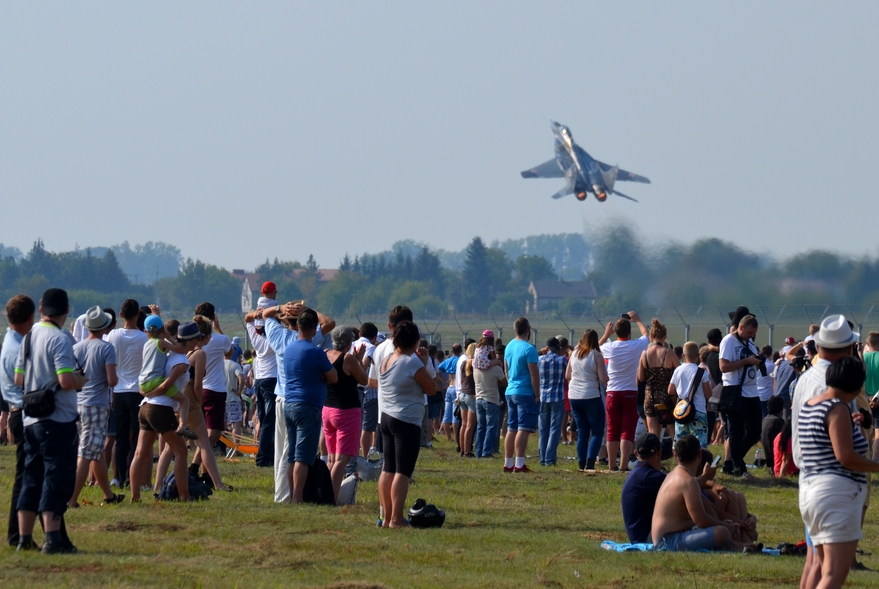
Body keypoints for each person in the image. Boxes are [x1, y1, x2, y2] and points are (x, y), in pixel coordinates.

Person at [788, 315, 861, 588]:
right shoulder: (835, 383)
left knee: (814, 563)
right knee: (830, 571)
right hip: (831, 478)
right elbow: (842, 449)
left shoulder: (808, 377)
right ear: (847, 349)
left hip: (809, 474)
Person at [14, 288, 88, 553]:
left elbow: (18, 379)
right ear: (66, 310)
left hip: (29, 418)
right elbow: (66, 380)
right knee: (57, 477)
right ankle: (53, 539)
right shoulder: (60, 338)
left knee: (31, 477)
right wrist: (81, 381)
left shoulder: (29, 336)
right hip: (57, 418)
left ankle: (24, 539)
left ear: (42, 310)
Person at [797, 356, 879, 589]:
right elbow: (846, 457)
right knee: (835, 573)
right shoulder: (838, 408)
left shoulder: (812, 405)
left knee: (819, 567)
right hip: (836, 494)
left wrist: (849, 424)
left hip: (812, 492)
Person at [263, 301, 335, 502]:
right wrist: (308, 310)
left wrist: (280, 309)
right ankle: (291, 495)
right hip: (303, 399)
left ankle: (281, 493)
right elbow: (329, 322)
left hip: (282, 398)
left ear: (287, 322)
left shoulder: (278, 336)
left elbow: (265, 316)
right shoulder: (306, 342)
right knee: (297, 453)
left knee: (283, 452)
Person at [377, 320, 437, 527]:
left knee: (388, 469)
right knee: (402, 472)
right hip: (406, 419)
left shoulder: (386, 359)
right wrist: (424, 362)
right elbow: (431, 388)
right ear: (414, 341)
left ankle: (386, 517)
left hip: (386, 416)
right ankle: (396, 518)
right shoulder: (411, 363)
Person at [128, 321, 195, 503]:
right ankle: (184, 496)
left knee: (140, 453)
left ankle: (135, 497)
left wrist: (147, 393)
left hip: (145, 407)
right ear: (192, 341)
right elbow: (167, 385)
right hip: (160, 407)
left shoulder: (166, 352)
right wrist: (152, 392)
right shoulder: (181, 361)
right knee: (181, 451)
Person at [283, 308, 337, 503]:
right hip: (309, 405)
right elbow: (333, 377)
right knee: (303, 457)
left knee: (292, 456)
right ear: (314, 329)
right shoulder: (315, 352)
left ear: (297, 326)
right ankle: (298, 498)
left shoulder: (289, 349)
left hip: (289, 404)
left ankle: (291, 494)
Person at [69, 306, 122, 507]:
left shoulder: (76, 347)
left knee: (96, 451)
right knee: (86, 452)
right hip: (97, 404)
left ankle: (108, 495)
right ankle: (72, 499)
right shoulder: (106, 348)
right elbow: (112, 380)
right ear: (105, 326)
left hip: (78, 403)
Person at [651, 435, 740, 552]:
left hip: (664, 538)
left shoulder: (675, 474)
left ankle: (738, 545)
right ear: (699, 455)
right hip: (668, 542)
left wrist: (706, 476)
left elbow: (695, 486)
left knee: (720, 527)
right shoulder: (688, 481)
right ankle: (738, 545)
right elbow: (701, 520)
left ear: (675, 455)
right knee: (722, 533)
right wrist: (725, 526)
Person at [2, 295, 35, 546]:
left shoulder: (11, 341)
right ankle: (17, 536)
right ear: (31, 318)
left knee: (31, 476)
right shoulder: (19, 348)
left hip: (16, 412)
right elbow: (25, 383)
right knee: (27, 479)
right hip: (23, 413)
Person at [106, 298, 149, 488]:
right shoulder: (144, 338)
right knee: (137, 438)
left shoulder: (113, 336)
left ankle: (117, 476)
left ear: (121, 315)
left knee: (120, 437)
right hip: (138, 392)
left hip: (119, 390)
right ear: (138, 315)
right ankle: (134, 476)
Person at [599, 311, 649, 472]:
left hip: (612, 391)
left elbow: (596, 347)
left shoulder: (610, 347)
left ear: (616, 332)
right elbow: (646, 334)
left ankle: (611, 464)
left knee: (612, 429)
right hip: (630, 392)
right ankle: (623, 465)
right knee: (627, 430)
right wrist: (638, 320)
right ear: (629, 332)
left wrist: (607, 333)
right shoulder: (636, 345)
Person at [323, 326, 367, 502]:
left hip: (327, 410)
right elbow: (363, 380)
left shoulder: (325, 353)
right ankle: (331, 497)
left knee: (331, 458)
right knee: (342, 460)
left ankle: (324, 492)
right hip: (346, 411)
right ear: (350, 343)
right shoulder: (348, 359)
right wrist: (360, 360)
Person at [719, 314, 763, 478]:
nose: (751, 336)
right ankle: (739, 466)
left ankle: (734, 460)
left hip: (752, 392)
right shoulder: (728, 341)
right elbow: (723, 367)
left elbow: (751, 364)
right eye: (749, 332)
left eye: (753, 334)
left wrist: (757, 361)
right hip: (735, 391)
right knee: (736, 431)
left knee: (755, 431)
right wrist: (747, 361)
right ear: (741, 327)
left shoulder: (749, 342)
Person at [139, 314, 195, 439]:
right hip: (156, 381)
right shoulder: (161, 342)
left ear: (146, 331)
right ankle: (182, 426)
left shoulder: (147, 344)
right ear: (163, 330)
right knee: (184, 400)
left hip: (142, 382)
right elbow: (180, 350)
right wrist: (169, 338)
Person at [503, 317, 541, 473]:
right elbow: (534, 374)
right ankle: (519, 463)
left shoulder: (509, 346)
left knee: (511, 427)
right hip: (525, 392)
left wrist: (510, 383)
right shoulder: (529, 349)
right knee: (523, 428)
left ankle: (508, 462)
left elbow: (506, 370)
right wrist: (537, 394)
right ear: (528, 330)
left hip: (511, 390)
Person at [566, 329, 608, 471]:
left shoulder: (574, 354)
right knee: (597, 432)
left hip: (574, 396)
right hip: (591, 395)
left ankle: (581, 462)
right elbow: (603, 379)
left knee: (583, 431)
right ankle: (590, 462)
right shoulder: (596, 356)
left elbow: (567, 375)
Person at [244, 304, 278, 467]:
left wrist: (257, 314)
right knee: (270, 422)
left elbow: (247, 320)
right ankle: (264, 458)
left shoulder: (255, 337)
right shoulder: (274, 339)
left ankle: (265, 455)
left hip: (259, 382)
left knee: (263, 419)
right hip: (272, 380)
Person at [621, 432, 666, 543]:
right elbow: (682, 484)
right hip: (646, 538)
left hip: (639, 535)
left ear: (636, 453)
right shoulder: (648, 477)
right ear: (659, 452)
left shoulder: (639, 473)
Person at [638, 319, 679, 438]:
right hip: (666, 397)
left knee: (652, 431)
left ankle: (654, 454)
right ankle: (676, 452)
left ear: (651, 336)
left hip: (650, 396)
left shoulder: (644, 354)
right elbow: (680, 372)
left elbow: (641, 378)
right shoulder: (669, 353)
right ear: (665, 336)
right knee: (673, 431)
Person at [668, 342, 712, 447]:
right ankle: (699, 463)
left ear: (683, 355)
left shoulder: (678, 370)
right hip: (699, 411)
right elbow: (708, 394)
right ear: (698, 356)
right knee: (700, 444)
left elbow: (670, 391)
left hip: (681, 411)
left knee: (681, 444)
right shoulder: (702, 372)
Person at [537, 337, 567, 466]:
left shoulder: (540, 360)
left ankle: (543, 458)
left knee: (543, 430)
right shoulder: (562, 360)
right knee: (555, 429)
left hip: (543, 397)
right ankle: (550, 458)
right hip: (557, 397)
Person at [473, 346, 507, 458]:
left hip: (479, 399)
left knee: (480, 427)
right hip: (491, 399)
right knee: (491, 427)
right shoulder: (495, 369)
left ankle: (478, 451)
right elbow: (504, 382)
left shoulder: (476, 368)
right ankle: (487, 451)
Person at [354, 322, 379, 456]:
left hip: (349, 388)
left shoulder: (351, 344)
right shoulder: (370, 348)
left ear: (359, 334)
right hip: (365, 390)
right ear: (374, 337)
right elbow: (363, 367)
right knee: (367, 427)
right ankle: (364, 457)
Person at [438, 343, 462, 445]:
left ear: (452, 351)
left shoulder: (447, 361)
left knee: (446, 415)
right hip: (457, 388)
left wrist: (444, 380)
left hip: (449, 387)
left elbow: (437, 370)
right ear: (460, 351)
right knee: (455, 415)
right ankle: (456, 438)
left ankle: (448, 437)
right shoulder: (460, 360)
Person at [456, 343, 477, 457]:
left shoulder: (463, 363)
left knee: (463, 424)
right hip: (471, 395)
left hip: (463, 394)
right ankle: (468, 451)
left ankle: (462, 449)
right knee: (470, 425)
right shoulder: (473, 363)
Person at [223, 345, 245, 446]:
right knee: (236, 423)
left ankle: (225, 445)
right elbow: (241, 379)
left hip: (221, 397)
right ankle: (236, 446)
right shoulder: (235, 365)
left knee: (223, 422)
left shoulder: (218, 364)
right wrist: (239, 391)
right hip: (233, 397)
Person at [760, 396, 784, 472]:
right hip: (776, 459)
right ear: (781, 408)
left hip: (769, 458)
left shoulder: (766, 419)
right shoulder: (778, 421)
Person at [756, 345, 776, 417]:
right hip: (767, 395)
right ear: (771, 354)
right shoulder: (772, 366)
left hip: (757, 394)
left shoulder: (756, 364)